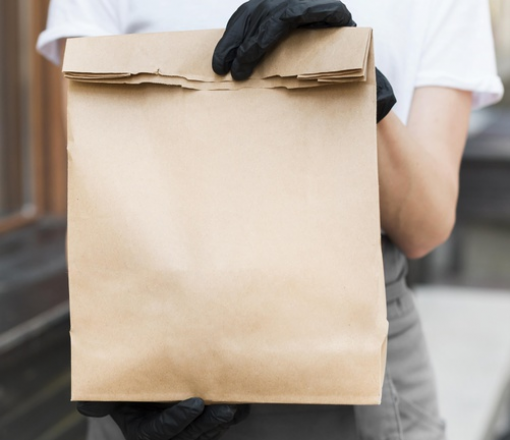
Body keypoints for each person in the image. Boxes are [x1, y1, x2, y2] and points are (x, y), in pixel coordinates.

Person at [37, 0, 504, 439]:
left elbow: (425, 226)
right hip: (159, 332)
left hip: (359, 346)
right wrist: (122, 359)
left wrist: (358, 91)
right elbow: (95, 193)